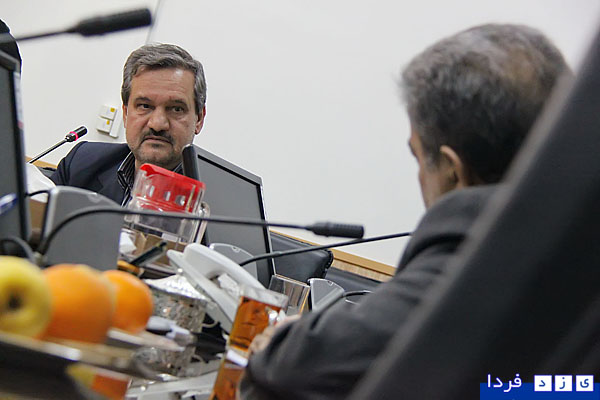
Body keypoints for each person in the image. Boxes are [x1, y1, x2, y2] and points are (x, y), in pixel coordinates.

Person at [238, 24, 569, 400]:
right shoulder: (568, 264)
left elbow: (291, 371)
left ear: (452, 171)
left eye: (418, 157)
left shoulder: (475, 266)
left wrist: (277, 343)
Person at [50, 43, 207, 205]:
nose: (157, 124)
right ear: (125, 113)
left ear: (199, 119)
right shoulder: (82, 163)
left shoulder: (217, 202)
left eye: (176, 109)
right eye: (144, 106)